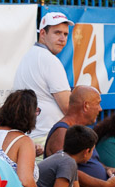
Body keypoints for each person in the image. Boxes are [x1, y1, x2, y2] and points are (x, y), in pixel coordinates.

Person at [13, 12, 73, 143]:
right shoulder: (49, 60)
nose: (63, 38)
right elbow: (69, 108)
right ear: (43, 34)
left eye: (65, 34)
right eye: (57, 33)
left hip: (32, 137)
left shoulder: (31, 55)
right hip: (46, 137)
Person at [44, 86, 102, 157]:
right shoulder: (62, 133)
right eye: (98, 103)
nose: (100, 109)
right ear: (86, 106)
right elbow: (64, 166)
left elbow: (93, 162)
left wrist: (106, 168)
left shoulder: (78, 131)